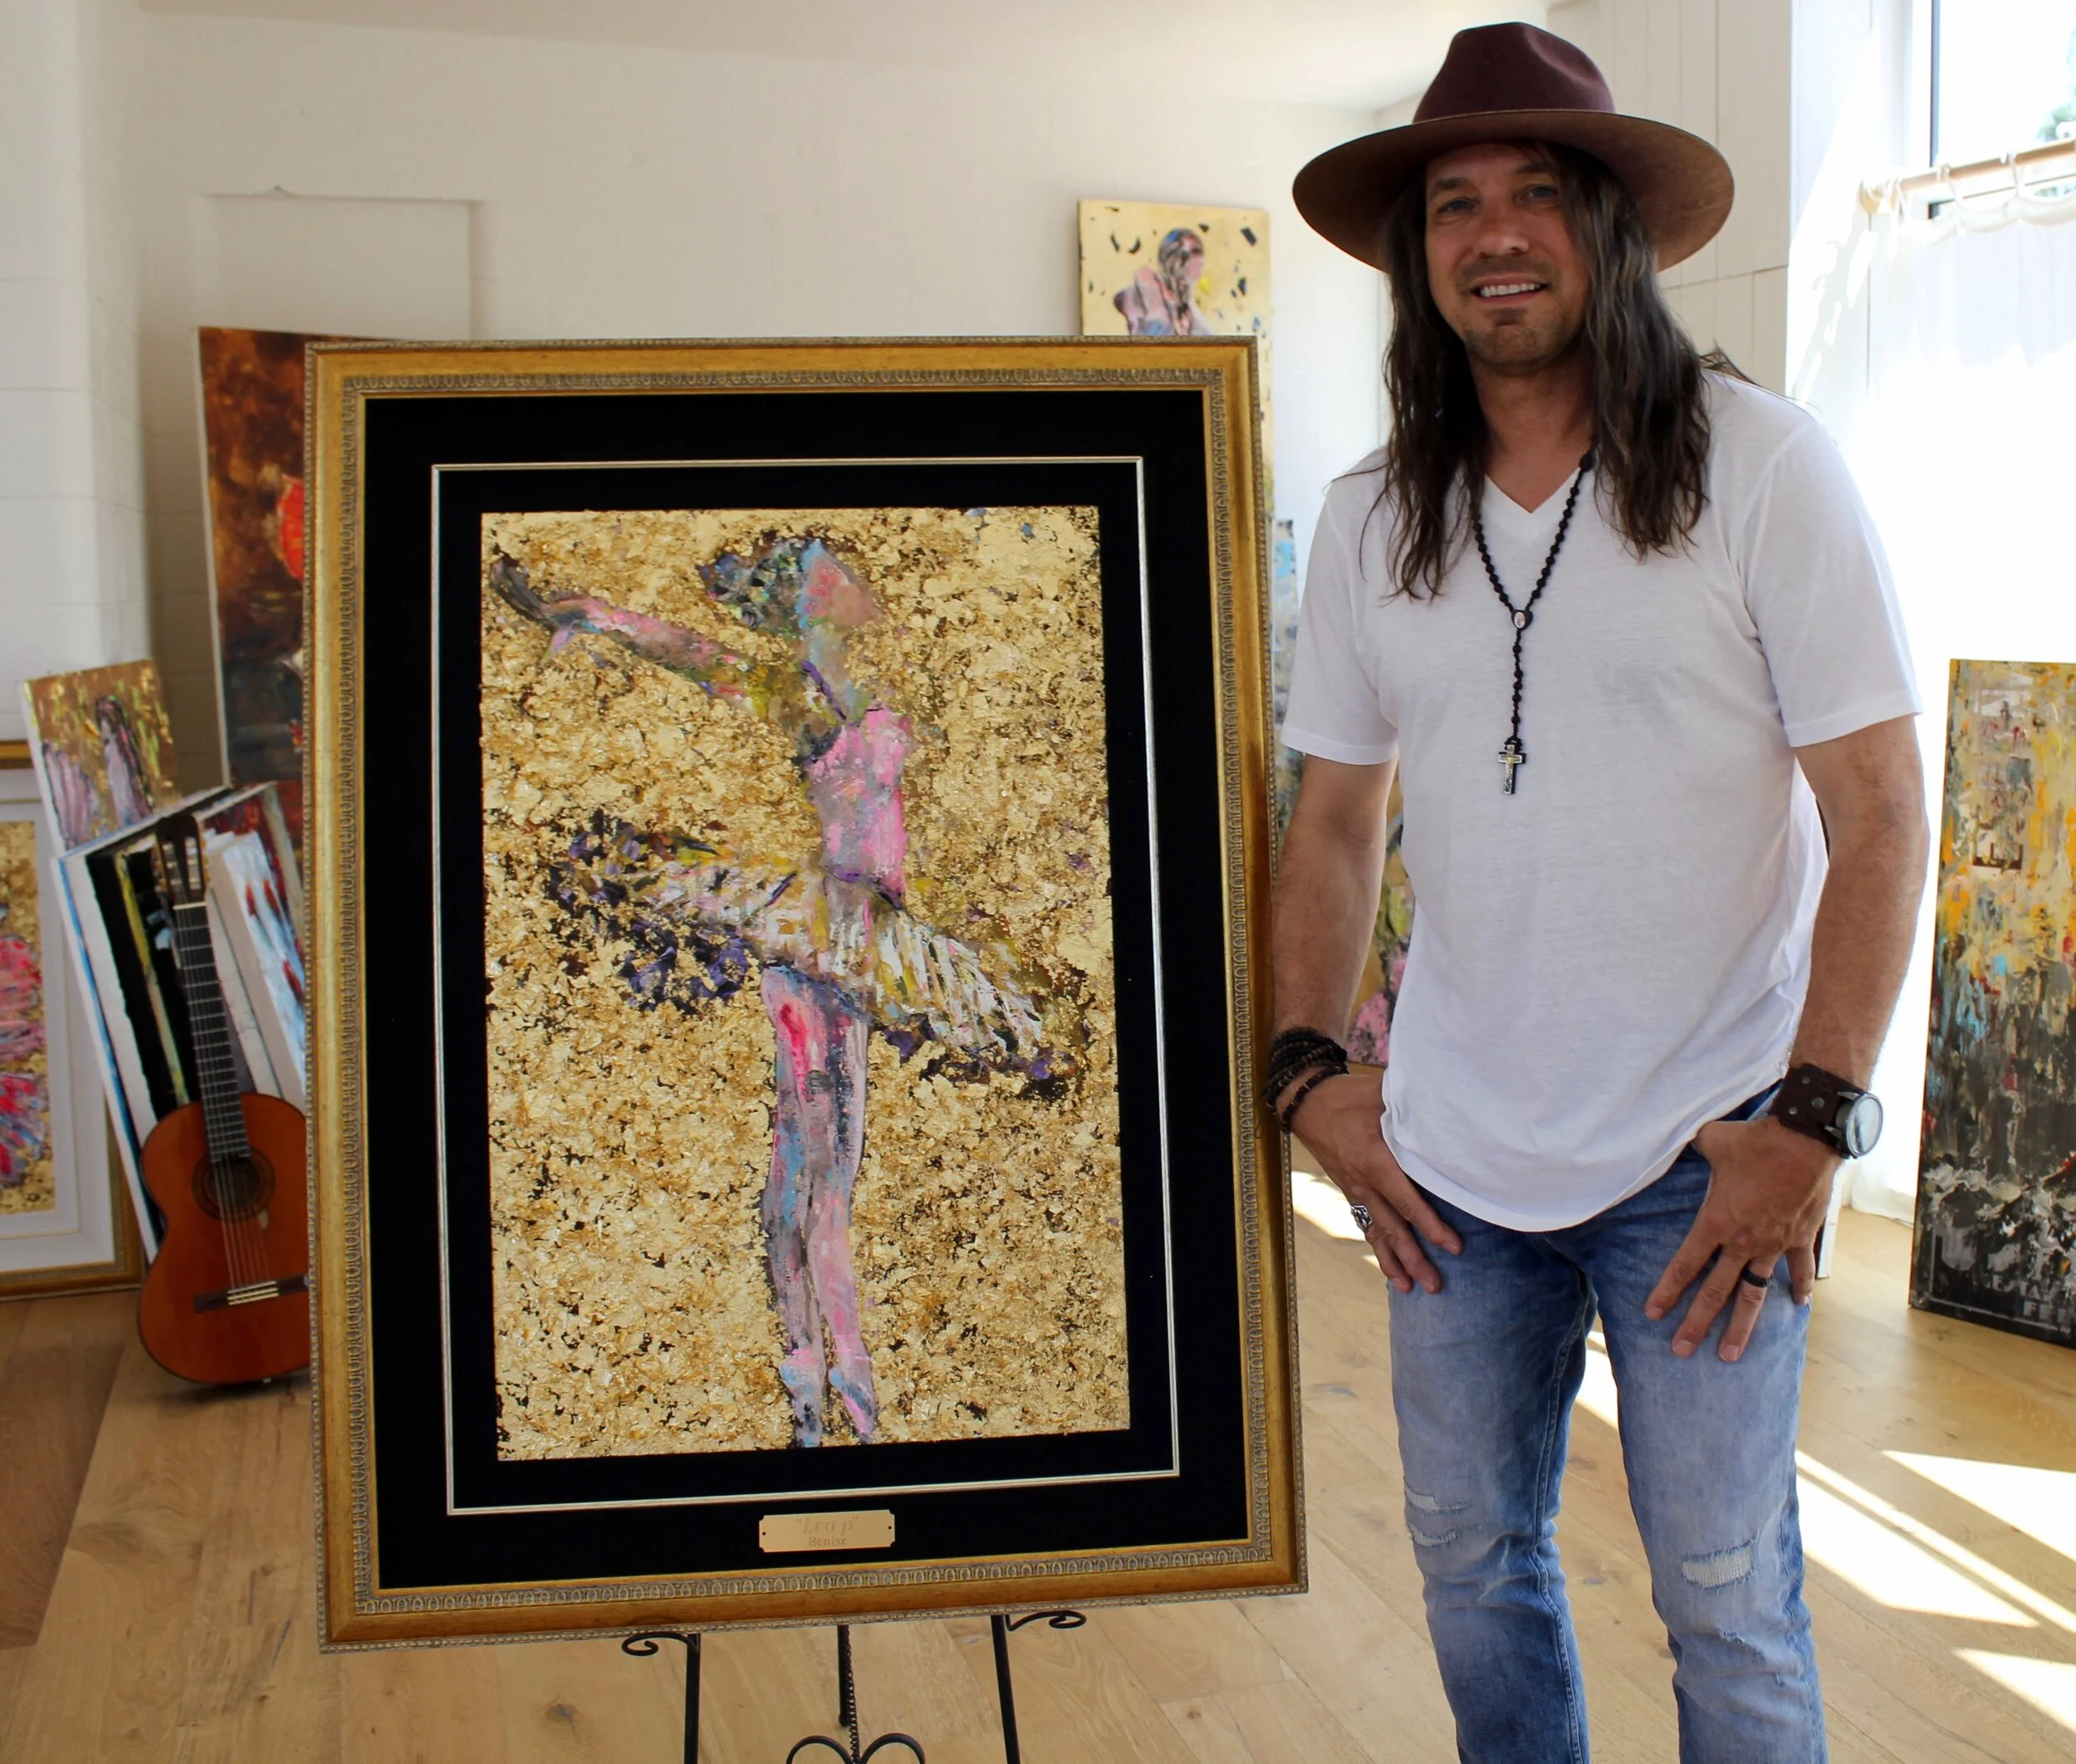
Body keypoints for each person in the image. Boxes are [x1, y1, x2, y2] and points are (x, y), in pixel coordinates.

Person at [1274, 24, 1927, 1764]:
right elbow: (1332, 818)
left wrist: (1813, 1119)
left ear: (1612, 230)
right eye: (1455, 203)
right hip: (1449, 1157)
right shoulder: (1369, 516)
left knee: (1722, 1590)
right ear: (1418, 255)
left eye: (1540, 194)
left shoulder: (1758, 466)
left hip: (1708, 1149)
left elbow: (1877, 809)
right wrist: (1304, 1069)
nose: (1496, 234)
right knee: (1469, 1562)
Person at [489, 537, 1062, 1449]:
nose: (848, 583)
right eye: (824, 573)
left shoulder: (865, 682)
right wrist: (594, 616)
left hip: (863, 942)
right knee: (816, 1176)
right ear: (801, 598)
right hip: (826, 936)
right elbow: (690, 652)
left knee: (816, 1170)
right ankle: (831, 1393)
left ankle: (825, 1388)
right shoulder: (794, 690)